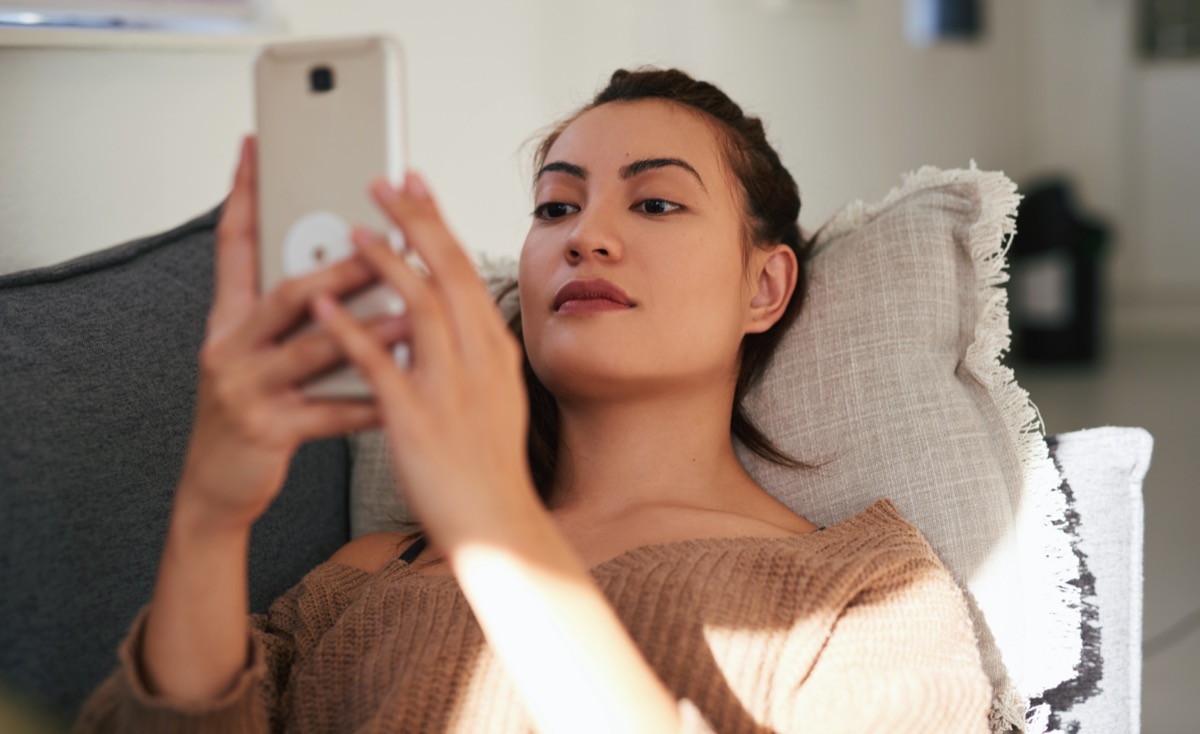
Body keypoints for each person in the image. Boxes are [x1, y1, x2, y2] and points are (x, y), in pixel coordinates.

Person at [75, 68, 993, 733]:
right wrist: (209, 515)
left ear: (765, 286)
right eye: (556, 208)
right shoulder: (371, 572)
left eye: (657, 205)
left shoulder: (862, 591)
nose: (585, 237)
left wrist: (494, 526)